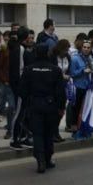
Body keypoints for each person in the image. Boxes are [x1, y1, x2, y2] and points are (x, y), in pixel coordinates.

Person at [18, 37, 66, 171]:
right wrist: (61, 107)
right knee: (48, 134)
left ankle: (40, 160)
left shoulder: (29, 69)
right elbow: (60, 92)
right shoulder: (55, 70)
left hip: (35, 104)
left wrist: (28, 101)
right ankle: (48, 158)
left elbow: (21, 89)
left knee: (38, 134)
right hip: (50, 105)